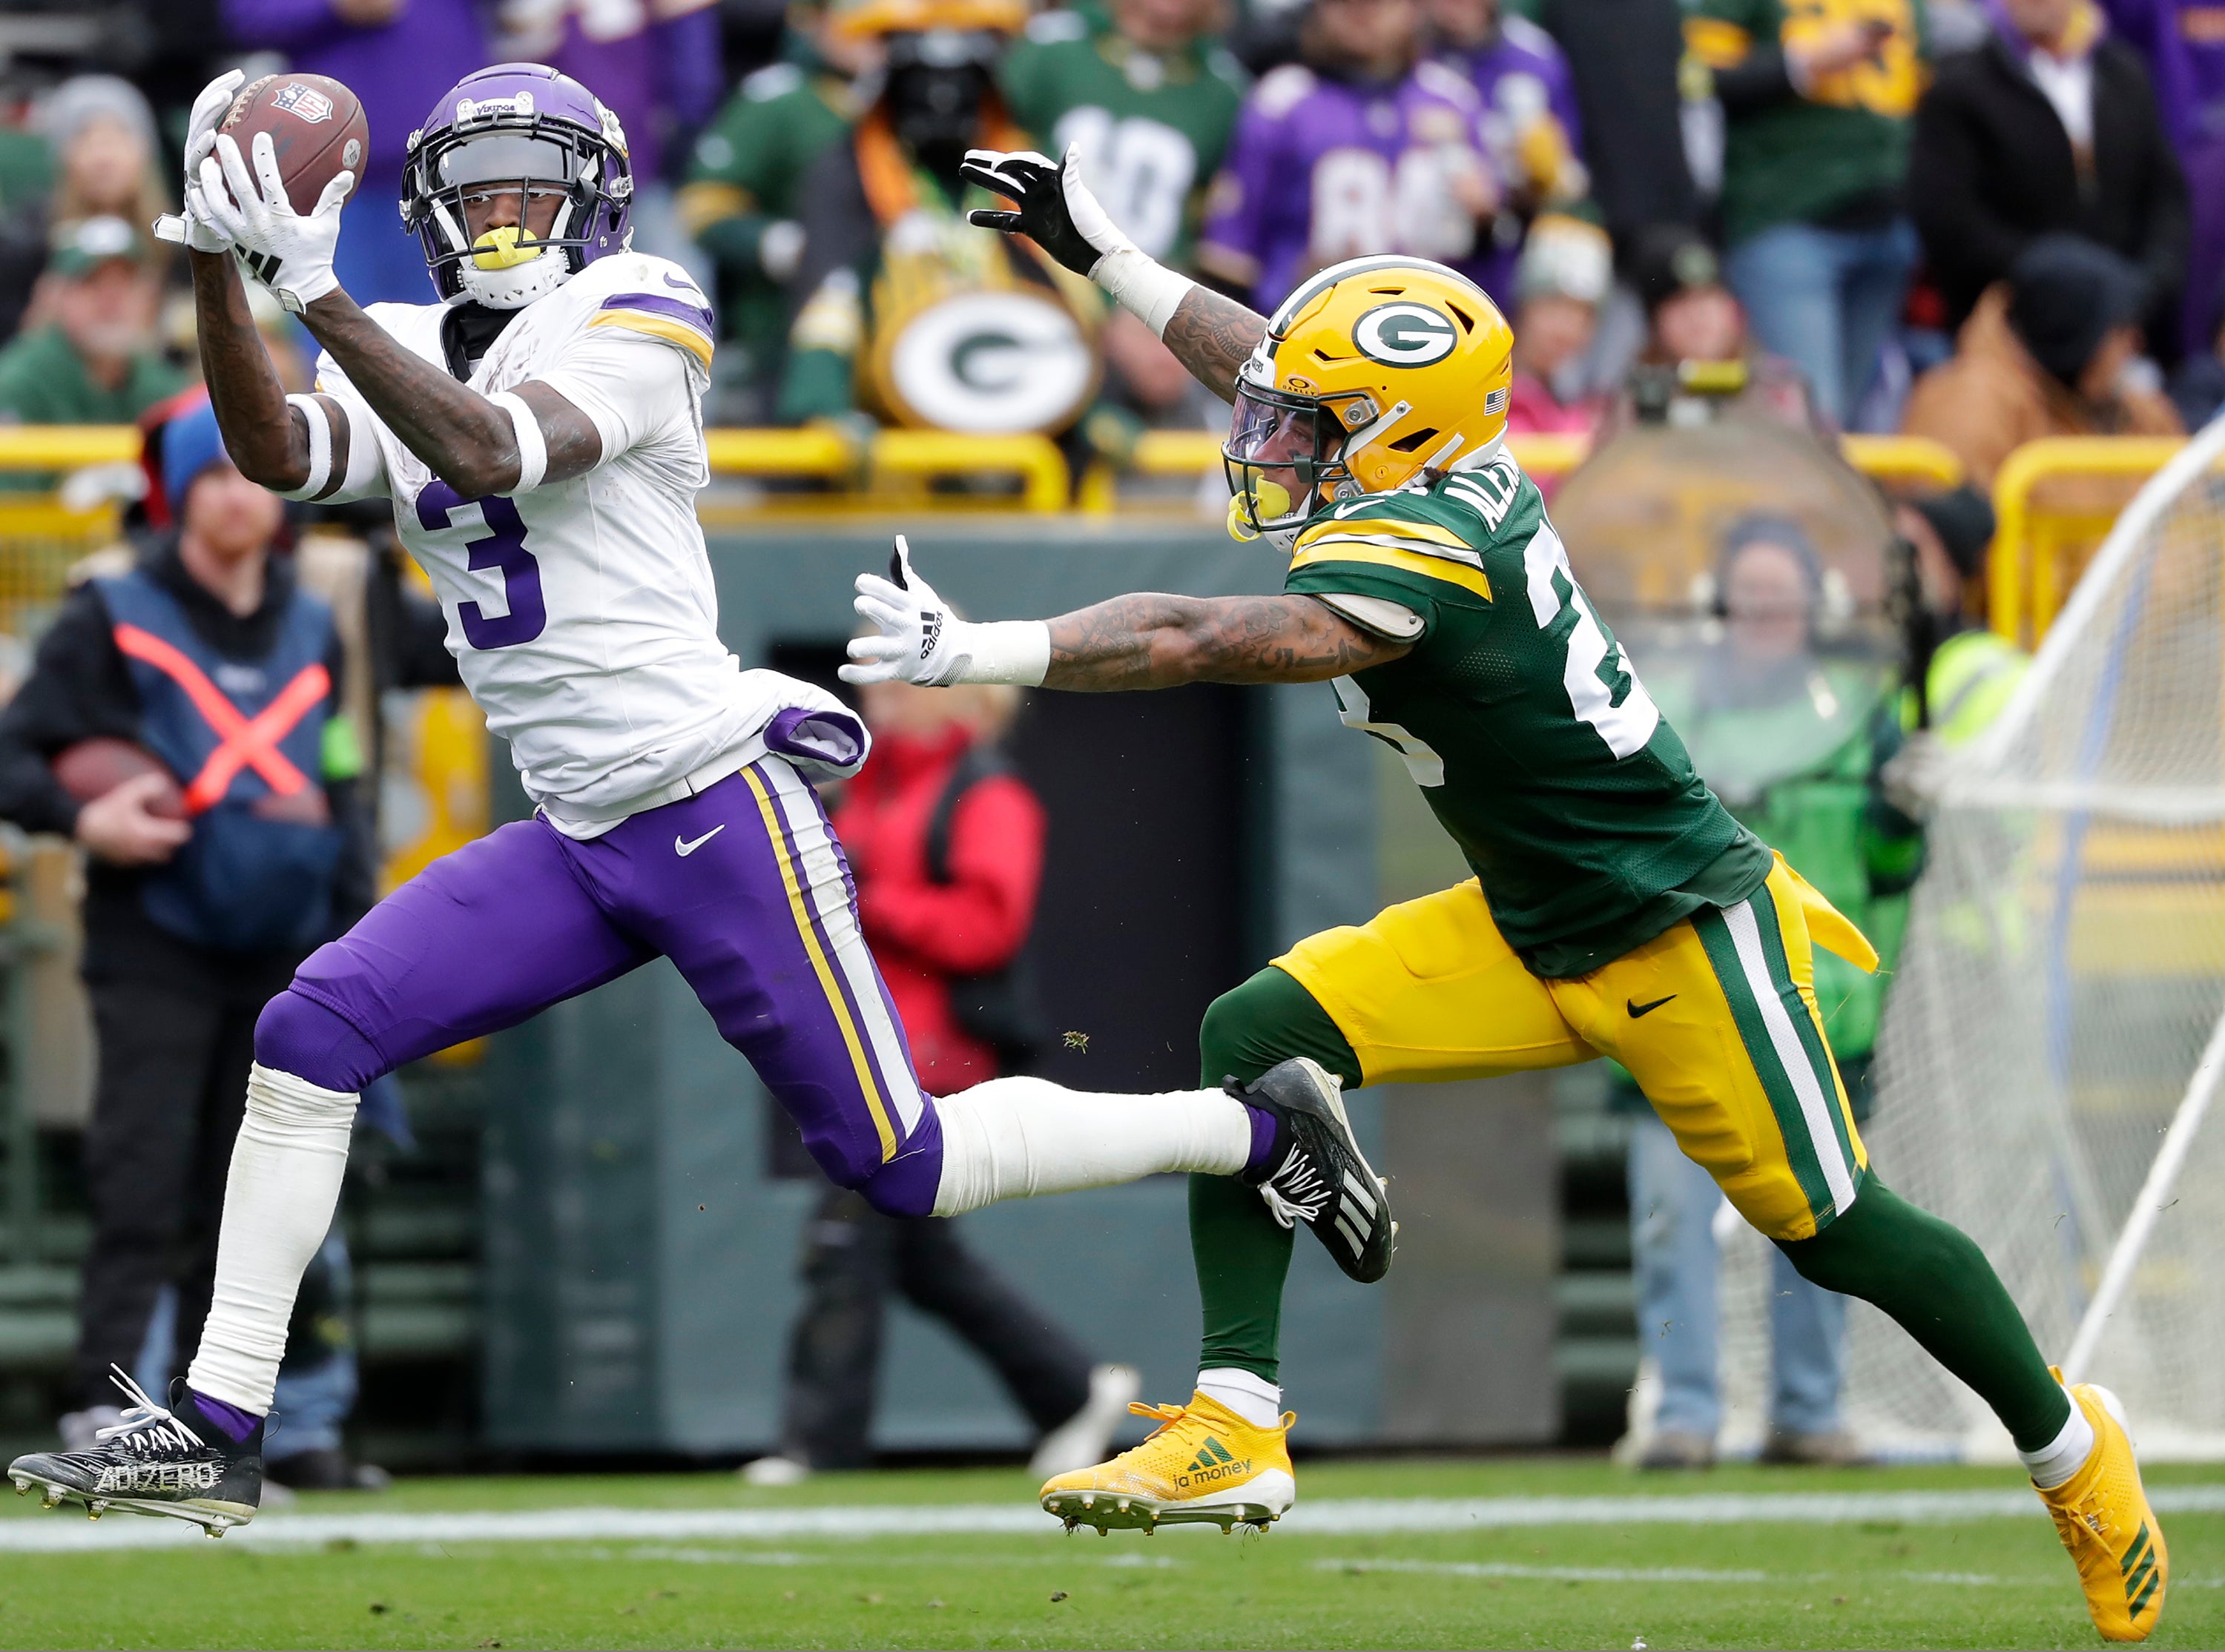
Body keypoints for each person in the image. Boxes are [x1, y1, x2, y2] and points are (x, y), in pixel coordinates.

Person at [4, 62, 1385, 1532]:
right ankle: (218, 1428)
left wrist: (315, 298)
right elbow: (275, 450)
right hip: (577, 829)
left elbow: (492, 447)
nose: (503, 214)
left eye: (530, 185)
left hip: (708, 801)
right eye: (475, 193)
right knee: (312, 1030)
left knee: (902, 1163)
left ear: (592, 203)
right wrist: (228, 274)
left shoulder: (640, 305)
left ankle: (1255, 1132)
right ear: (429, 214)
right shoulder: (398, 337)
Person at [866, 145, 2170, 1642]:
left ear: (1394, 431)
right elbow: (1264, 357)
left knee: (1838, 1228)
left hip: (1674, 927)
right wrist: (1103, 255)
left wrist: (980, 651)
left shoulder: (1424, 545)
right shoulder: (1422, 458)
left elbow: (1187, 635)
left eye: (1316, 422)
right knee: (1255, 1029)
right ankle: (1238, 1421)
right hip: (1531, 914)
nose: (1276, 432)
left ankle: (2075, 1450)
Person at [0, 396, 374, 1471]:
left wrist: (351, 939)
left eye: (253, 471)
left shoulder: (312, 620)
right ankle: (107, 1404)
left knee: (254, 1196)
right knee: (143, 1179)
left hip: (284, 949)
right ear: (176, 493)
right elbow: (16, 757)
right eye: (212, 475)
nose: (235, 494)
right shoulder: (110, 611)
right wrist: (87, 819)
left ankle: (247, 1425)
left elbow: (338, 778)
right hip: (155, 937)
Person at [748, 675, 1139, 1486]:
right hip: (868, 1041)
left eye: (899, 677)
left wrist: (868, 893)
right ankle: (1072, 1390)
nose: (873, 689)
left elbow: (986, 927)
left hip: (937, 1056)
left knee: (844, 1238)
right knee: (922, 1259)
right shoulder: (870, 782)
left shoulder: (990, 792)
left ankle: (816, 1448)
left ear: (956, 695)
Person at [1618, 515, 1921, 1471]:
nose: (1764, 615)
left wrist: (1903, 811)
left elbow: (1890, 866)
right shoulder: (1662, 714)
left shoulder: (1862, 714)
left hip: (1818, 1016)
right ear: (1719, 609)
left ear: (1811, 609)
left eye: (1780, 598)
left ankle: (1808, 1411)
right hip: (1680, 1007)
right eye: (1747, 597)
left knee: (1828, 1226)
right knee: (1671, 1222)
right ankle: (1686, 1414)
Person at [1681, 0, 1925, 424]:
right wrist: (1802, 64)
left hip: (1888, 223)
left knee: (1852, 422)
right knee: (1813, 421)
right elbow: (1697, 79)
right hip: (1786, 216)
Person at [1908, 0, 2189, 359]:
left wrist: (2141, 288)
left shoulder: (2125, 74)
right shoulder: (1960, 85)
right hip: (2006, 337)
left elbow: (2166, 197)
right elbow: (1947, 217)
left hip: (2122, 333)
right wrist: (2058, 284)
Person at [1193, 0, 1503, 312]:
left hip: (1428, 324)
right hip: (1303, 327)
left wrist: (1485, 222)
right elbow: (1229, 255)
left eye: (1377, 5)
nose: (1362, 15)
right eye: (1346, 4)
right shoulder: (1282, 101)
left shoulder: (1453, 100)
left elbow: (1492, 253)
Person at [222, 0, 492, 305]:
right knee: (338, 320)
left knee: (463, 317)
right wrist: (332, 7)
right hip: (333, 179)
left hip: (454, 162)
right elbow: (247, 16)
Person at [680, 0, 872, 421]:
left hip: (910, 310)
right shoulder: (780, 102)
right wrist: (777, 244)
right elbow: (703, 206)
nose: (870, 29)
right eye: (855, 14)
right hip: (794, 322)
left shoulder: (942, 97)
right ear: (814, 22)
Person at [1901, 233, 2181, 487]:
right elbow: (1943, 534)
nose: (2134, 346)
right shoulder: (1973, 404)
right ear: (2073, 337)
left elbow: (2194, 512)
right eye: (2120, 331)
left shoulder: (2137, 412)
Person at [1423, 0, 1589, 305]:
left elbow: (1572, 174)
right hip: (1430, 245)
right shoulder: (1407, 55)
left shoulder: (1535, 56)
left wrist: (1549, 177)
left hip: (1517, 245)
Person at [0, 218, 185, 429]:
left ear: (149, 297)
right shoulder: (17, 385)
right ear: (57, 297)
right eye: (92, 282)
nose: (111, 299)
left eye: (127, 282)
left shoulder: (165, 389)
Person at [1504, 211, 1611, 440]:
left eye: (1582, 315)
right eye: (1553, 307)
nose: (1565, 329)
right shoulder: (1487, 403)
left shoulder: (1591, 409)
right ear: (1523, 309)